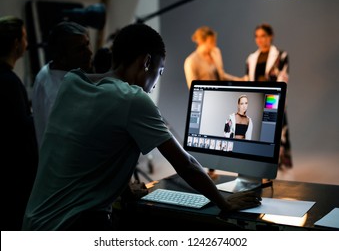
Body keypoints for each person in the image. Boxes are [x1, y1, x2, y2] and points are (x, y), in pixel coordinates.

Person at [22, 23, 261, 231]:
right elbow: (184, 163)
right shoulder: (132, 98)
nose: (156, 83)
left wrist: (124, 189)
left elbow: (92, 148)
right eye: (160, 71)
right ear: (146, 62)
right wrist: (224, 202)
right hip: (73, 227)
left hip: (34, 223)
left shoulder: (71, 83)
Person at [184, 26, 242, 177]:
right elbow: (193, 87)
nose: (214, 44)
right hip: (206, 104)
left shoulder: (216, 52)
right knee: (208, 138)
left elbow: (221, 75)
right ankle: (208, 171)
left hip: (222, 99)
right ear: (201, 41)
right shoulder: (191, 61)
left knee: (227, 131)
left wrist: (240, 81)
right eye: (211, 41)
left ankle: (225, 167)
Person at [0, 16, 39, 230]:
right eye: (24, 37)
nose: (27, 43)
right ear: (16, 43)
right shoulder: (10, 83)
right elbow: (20, 130)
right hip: (13, 179)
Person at [31, 21, 93, 149]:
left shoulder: (50, 70)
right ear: (61, 57)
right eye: (80, 49)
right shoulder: (58, 95)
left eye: (88, 45)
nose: (90, 53)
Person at [243, 23, 292, 168]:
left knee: (277, 136)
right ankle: (259, 169)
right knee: (256, 135)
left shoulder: (281, 56)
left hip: (273, 101)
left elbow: (283, 79)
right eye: (257, 36)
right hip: (256, 101)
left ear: (270, 36)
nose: (260, 39)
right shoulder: (250, 58)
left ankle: (280, 171)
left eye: (263, 36)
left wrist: (275, 102)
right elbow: (247, 80)